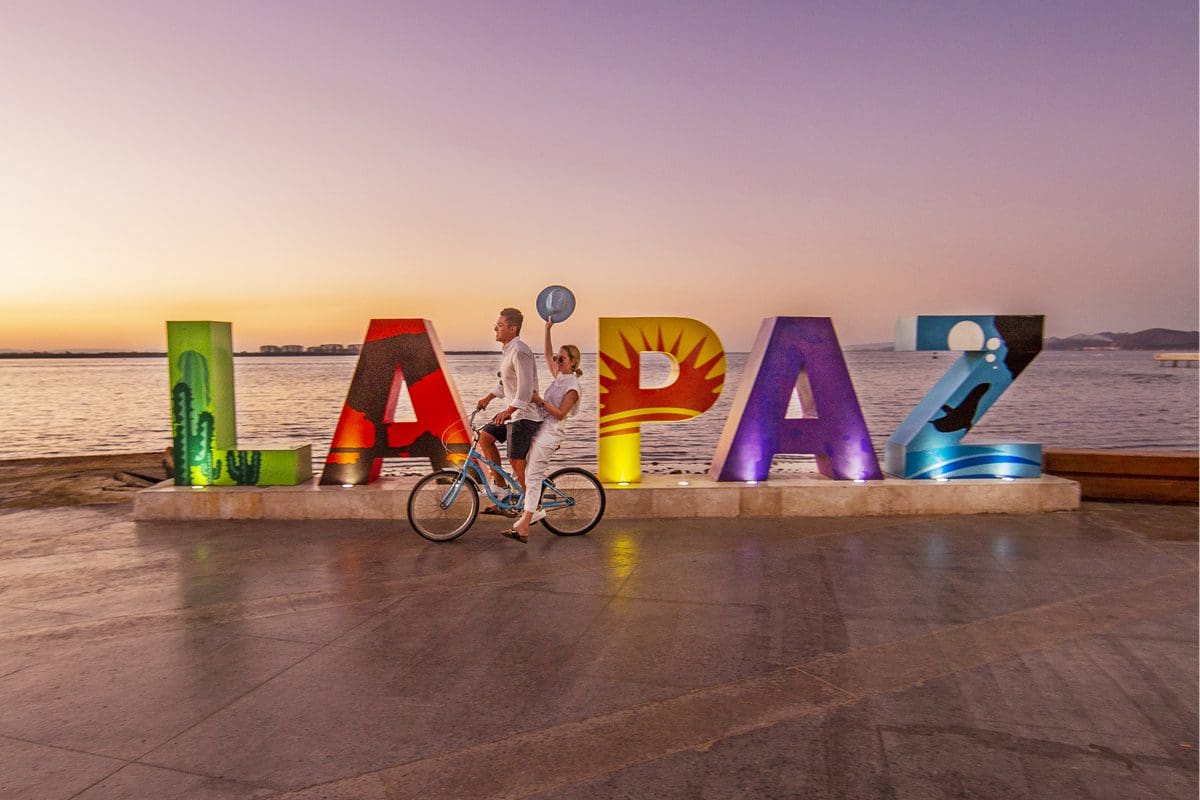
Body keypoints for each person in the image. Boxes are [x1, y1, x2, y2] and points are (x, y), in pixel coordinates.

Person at [502, 318, 582, 542]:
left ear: (573, 363)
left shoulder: (572, 387)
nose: (556, 360)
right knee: (525, 467)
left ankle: (525, 525)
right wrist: (547, 330)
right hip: (541, 426)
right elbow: (547, 355)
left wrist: (538, 400)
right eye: (557, 357)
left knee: (533, 474)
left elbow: (560, 414)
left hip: (552, 432)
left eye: (562, 358)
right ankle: (528, 507)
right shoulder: (560, 377)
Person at [476, 308, 542, 511]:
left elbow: (525, 387)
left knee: (515, 460)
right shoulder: (508, 351)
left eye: (500, 325)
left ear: (512, 329)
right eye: (496, 325)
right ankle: (503, 494)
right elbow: (507, 384)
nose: (496, 328)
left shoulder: (520, 351)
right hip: (514, 414)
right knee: (485, 438)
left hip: (525, 416)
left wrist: (509, 410)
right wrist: (488, 398)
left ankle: (532, 506)